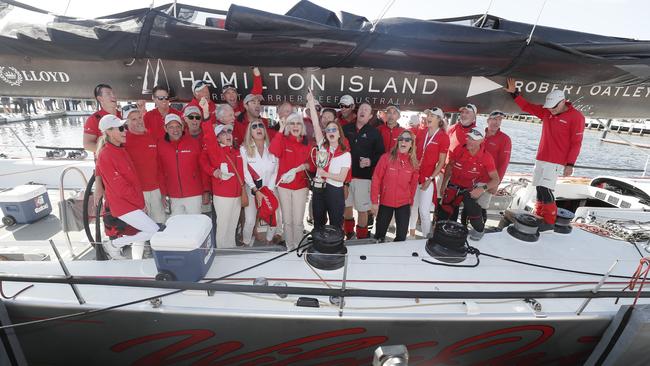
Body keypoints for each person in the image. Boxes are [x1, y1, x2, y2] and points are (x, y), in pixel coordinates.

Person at [505, 78, 585, 230]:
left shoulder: (576, 117)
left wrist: (570, 164)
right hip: (541, 157)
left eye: (554, 107)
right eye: (549, 107)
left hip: (556, 160)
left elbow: (577, 143)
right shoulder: (548, 112)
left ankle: (548, 222)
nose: (551, 110)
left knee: (545, 189)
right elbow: (527, 107)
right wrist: (514, 94)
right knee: (539, 188)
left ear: (563, 102)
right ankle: (539, 214)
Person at [95, 115, 159, 260]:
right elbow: (121, 187)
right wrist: (140, 203)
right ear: (109, 132)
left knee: (147, 230)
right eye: (121, 128)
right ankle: (114, 245)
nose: (125, 131)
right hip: (124, 205)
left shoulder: (120, 149)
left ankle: (120, 248)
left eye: (124, 127)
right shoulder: (106, 155)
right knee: (154, 230)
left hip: (131, 203)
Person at [439, 128, 500, 241]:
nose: (469, 141)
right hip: (453, 185)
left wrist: (482, 189)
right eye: (469, 137)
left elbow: (496, 179)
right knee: (445, 213)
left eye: (474, 139)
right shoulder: (459, 149)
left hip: (469, 189)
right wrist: (443, 185)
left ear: (481, 141)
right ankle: (445, 234)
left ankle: (477, 231)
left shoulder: (486, 157)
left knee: (474, 213)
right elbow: (449, 167)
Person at [308, 92, 351, 231]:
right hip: (319, 190)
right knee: (318, 223)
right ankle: (318, 247)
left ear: (339, 133)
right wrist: (310, 102)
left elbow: (341, 178)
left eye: (334, 129)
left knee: (336, 224)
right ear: (326, 133)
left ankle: (335, 250)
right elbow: (315, 122)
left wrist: (325, 174)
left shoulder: (345, 154)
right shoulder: (322, 146)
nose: (331, 132)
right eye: (328, 130)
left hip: (335, 191)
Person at [269, 112, 313, 250]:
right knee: (287, 221)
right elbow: (273, 150)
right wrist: (280, 131)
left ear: (302, 127)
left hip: (300, 186)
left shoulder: (308, 143)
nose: (295, 126)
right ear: (288, 126)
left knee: (298, 221)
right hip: (284, 186)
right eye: (292, 123)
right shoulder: (283, 139)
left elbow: (313, 164)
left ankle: (298, 246)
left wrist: (302, 167)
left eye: (298, 123)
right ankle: (290, 246)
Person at [342, 102, 385, 239]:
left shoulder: (375, 133)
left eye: (366, 110)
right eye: (361, 109)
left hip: (364, 178)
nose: (363, 111)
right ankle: (349, 234)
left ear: (370, 116)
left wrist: (370, 161)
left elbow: (381, 154)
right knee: (346, 207)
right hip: (345, 177)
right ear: (357, 112)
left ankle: (361, 237)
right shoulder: (345, 128)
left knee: (362, 210)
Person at [200, 124, 245, 248]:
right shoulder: (216, 150)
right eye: (223, 133)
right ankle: (221, 252)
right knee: (223, 226)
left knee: (232, 226)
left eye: (229, 131)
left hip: (237, 195)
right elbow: (208, 137)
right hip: (223, 196)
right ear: (218, 138)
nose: (228, 134)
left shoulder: (238, 151)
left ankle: (231, 250)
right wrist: (206, 115)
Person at [371, 130, 419, 242]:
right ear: (397, 142)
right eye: (401, 139)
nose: (404, 141)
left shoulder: (414, 163)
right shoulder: (385, 158)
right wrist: (374, 202)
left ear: (412, 144)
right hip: (385, 202)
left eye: (407, 140)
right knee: (379, 235)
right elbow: (376, 179)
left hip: (404, 203)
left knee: (401, 237)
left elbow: (413, 185)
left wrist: (410, 203)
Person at [157, 114, 210, 216]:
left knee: (195, 224)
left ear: (182, 127)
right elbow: (160, 171)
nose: (175, 130)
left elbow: (203, 168)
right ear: (165, 128)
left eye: (177, 126)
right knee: (177, 225)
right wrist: (164, 193)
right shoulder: (160, 145)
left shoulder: (194, 143)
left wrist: (206, 190)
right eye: (171, 127)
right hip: (173, 195)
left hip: (194, 194)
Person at [122, 104, 166, 224]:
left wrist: (163, 192)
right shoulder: (123, 141)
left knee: (160, 224)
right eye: (133, 119)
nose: (139, 122)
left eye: (139, 118)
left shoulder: (151, 136)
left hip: (156, 191)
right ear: (126, 123)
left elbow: (159, 166)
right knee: (141, 228)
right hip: (138, 193)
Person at [409, 107, 449, 238]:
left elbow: (442, 162)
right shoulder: (422, 132)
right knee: (413, 207)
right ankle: (412, 234)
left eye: (432, 115)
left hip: (428, 177)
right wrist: (414, 160)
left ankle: (426, 238)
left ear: (439, 119)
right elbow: (413, 149)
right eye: (428, 115)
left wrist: (430, 178)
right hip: (415, 176)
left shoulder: (443, 137)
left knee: (424, 211)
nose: (428, 117)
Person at [240, 118, 280, 246]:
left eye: (261, 126)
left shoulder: (273, 148)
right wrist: (256, 190)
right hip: (252, 190)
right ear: (249, 132)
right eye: (254, 126)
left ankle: (269, 241)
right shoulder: (244, 149)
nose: (258, 128)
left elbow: (276, 171)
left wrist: (269, 190)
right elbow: (245, 172)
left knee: (273, 219)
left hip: (270, 189)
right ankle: (246, 243)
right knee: (250, 220)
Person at [83, 84, 121, 153]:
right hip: (107, 162)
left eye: (113, 93)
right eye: (108, 94)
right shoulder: (93, 119)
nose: (113, 96)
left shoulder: (123, 115)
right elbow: (87, 145)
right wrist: (111, 153)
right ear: (100, 99)